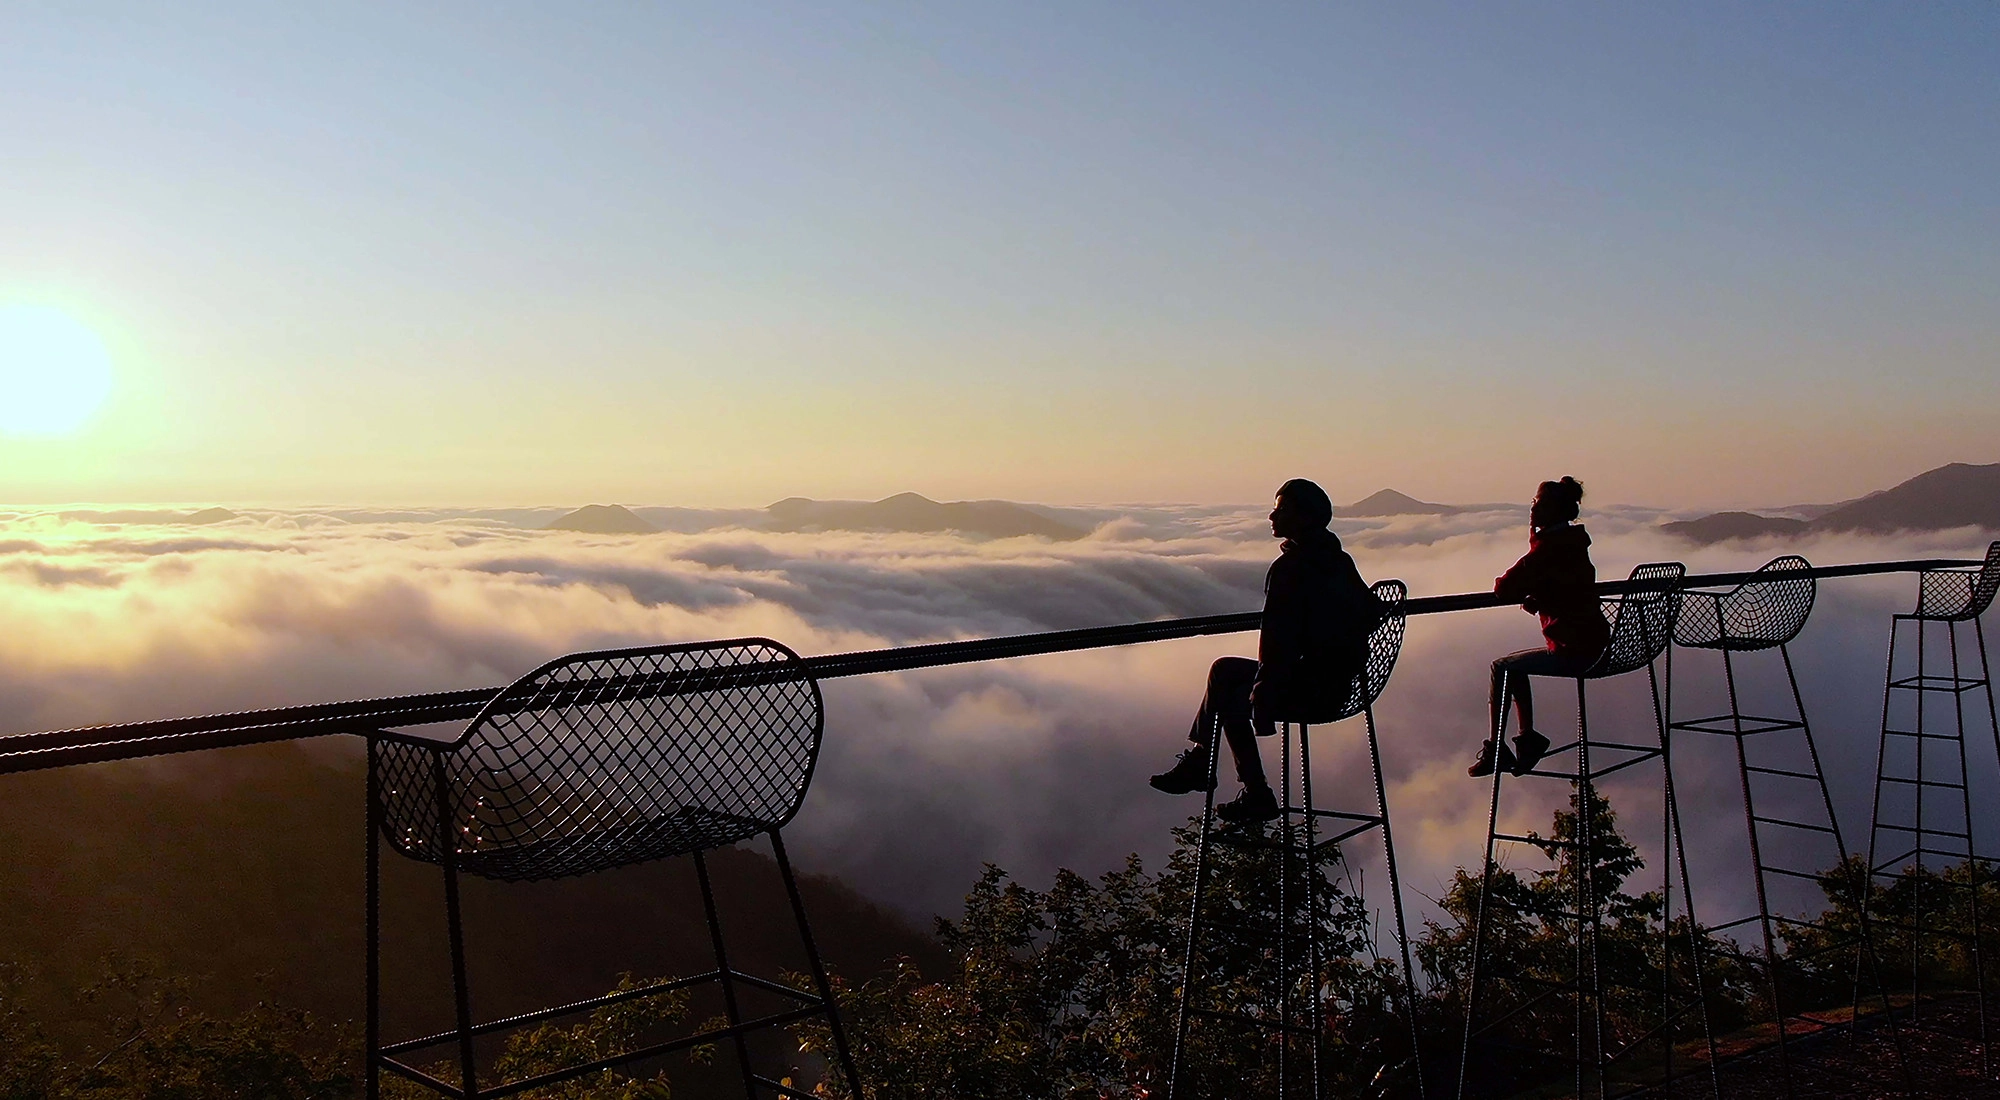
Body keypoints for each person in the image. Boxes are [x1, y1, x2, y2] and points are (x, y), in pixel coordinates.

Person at [1150, 479, 1380, 823]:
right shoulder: (1338, 560)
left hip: (1314, 691)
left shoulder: (1291, 569)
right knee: (1224, 672)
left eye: (1282, 509)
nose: (1272, 516)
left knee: (1227, 689)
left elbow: (1277, 641)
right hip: (1340, 685)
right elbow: (1373, 613)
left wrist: (1265, 690)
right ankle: (1204, 760)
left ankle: (1252, 790)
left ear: (1305, 518)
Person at [1470, 476, 1611, 778]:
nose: (1532, 509)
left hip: (1576, 649)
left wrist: (1536, 593)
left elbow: (1505, 588)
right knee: (1513, 666)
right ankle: (1525, 739)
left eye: (1538, 503)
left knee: (1503, 667)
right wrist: (1544, 599)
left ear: (1552, 510)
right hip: (1597, 643)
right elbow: (1569, 589)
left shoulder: (1549, 548)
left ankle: (1504, 745)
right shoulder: (1574, 545)